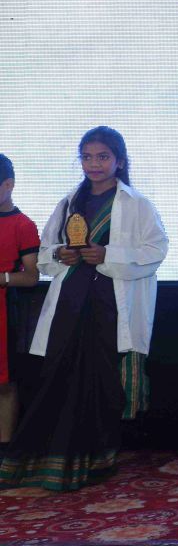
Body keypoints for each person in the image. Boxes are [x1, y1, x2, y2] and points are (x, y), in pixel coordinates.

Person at [0, 127, 168, 490]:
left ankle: (97, 461)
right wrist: (61, 254)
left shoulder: (137, 204)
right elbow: (46, 253)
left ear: (119, 161)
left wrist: (108, 254)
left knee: (102, 382)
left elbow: (156, 251)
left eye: (102, 157)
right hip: (71, 302)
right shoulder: (69, 202)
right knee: (59, 377)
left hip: (110, 303)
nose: (94, 164)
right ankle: (46, 462)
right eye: (87, 157)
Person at [0, 154, 41, 450]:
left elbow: (31, 276)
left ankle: (4, 452)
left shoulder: (23, 224)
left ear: (8, 184)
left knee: (4, 383)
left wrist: (2, 278)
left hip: (5, 311)